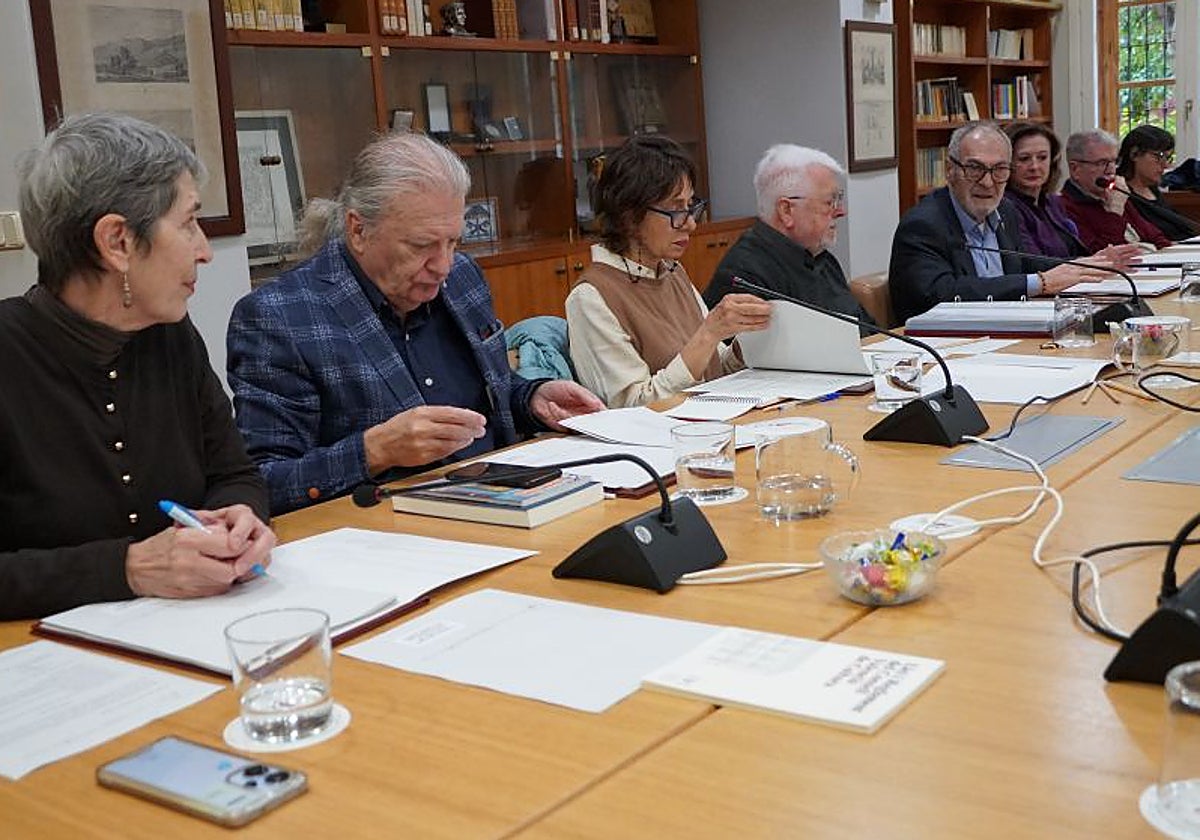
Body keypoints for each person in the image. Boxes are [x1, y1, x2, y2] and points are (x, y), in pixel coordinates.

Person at [227, 132, 604, 515]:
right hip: (390, 540)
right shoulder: (279, 317)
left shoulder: (463, 278)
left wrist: (531, 399)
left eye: (453, 242)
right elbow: (263, 484)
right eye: (421, 246)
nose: (442, 265)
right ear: (358, 230)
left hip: (509, 500)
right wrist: (374, 451)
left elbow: (483, 396)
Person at [0, 113, 275, 621]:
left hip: (191, 633)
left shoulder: (170, 335)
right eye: (189, 222)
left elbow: (235, 472)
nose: (205, 251)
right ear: (118, 243)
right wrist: (127, 568)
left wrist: (242, 518)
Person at [564, 135, 771, 408]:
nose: (690, 225)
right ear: (629, 216)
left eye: (691, 207)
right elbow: (633, 406)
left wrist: (747, 342)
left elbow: (712, 368)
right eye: (675, 210)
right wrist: (709, 333)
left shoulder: (671, 272)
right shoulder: (592, 297)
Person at [888, 121, 1106, 324]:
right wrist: (1039, 283)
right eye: (974, 169)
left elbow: (1023, 265)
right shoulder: (923, 225)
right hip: (944, 345)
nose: (987, 182)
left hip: (1000, 332)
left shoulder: (1005, 211)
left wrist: (1084, 266)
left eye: (999, 170)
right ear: (950, 170)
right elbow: (939, 293)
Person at [703, 144, 874, 334]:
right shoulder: (745, 276)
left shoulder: (821, 258)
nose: (841, 211)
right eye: (829, 202)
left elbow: (867, 329)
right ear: (786, 211)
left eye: (838, 200)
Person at [1002, 122, 1142, 264]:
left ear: (1052, 161)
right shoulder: (1006, 208)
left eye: (1042, 157)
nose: (1034, 166)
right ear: (1006, 163)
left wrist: (1095, 259)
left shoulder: (1052, 203)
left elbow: (1080, 252)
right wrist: (1091, 261)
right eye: (1024, 159)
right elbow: (1033, 263)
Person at [1059, 129, 1172, 252]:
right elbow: (1101, 255)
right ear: (1075, 169)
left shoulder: (1114, 193)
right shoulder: (1065, 207)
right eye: (1102, 163)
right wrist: (1115, 213)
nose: (1111, 170)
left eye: (1114, 162)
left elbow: (1157, 237)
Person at [1116, 124, 1199, 242]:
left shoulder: (1153, 191)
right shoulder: (1119, 194)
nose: (1165, 165)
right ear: (1134, 154)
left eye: (1167, 158)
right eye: (1158, 156)